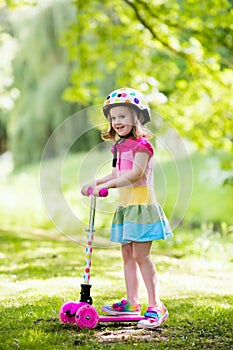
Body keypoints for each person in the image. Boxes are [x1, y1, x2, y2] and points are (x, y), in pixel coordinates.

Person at [81, 87, 173, 329]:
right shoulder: (119, 147)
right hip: (126, 208)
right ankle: (132, 303)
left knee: (142, 256)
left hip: (142, 207)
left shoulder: (143, 146)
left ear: (137, 117)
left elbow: (134, 175)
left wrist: (108, 186)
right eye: (113, 117)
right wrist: (96, 182)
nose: (117, 121)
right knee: (127, 256)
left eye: (122, 116)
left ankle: (156, 305)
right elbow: (116, 173)